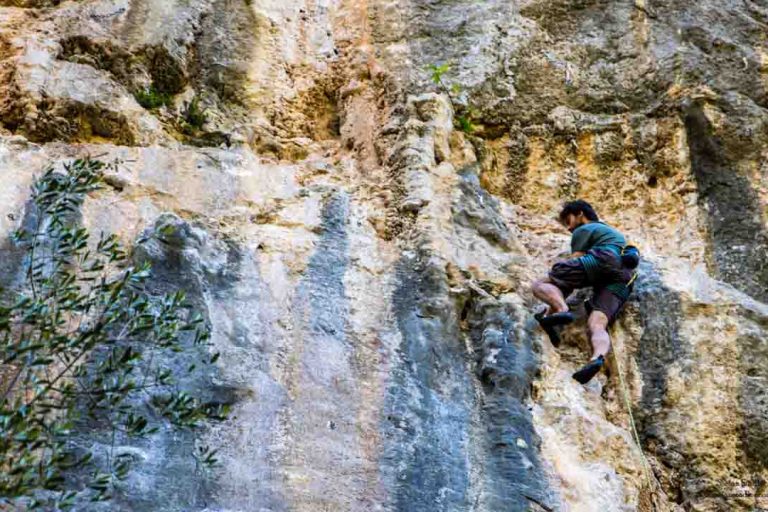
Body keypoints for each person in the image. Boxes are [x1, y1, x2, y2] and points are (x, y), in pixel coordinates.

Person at [532, 200, 638, 384]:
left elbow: (574, 266)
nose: (568, 227)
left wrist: (553, 307)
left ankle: (561, 309)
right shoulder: (615, 235)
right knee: (597, 324)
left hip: (602, 259)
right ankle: (597, 357)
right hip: (624, 278)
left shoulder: (584, 230)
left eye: (568, 220)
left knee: (540, 285)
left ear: (580, 214)